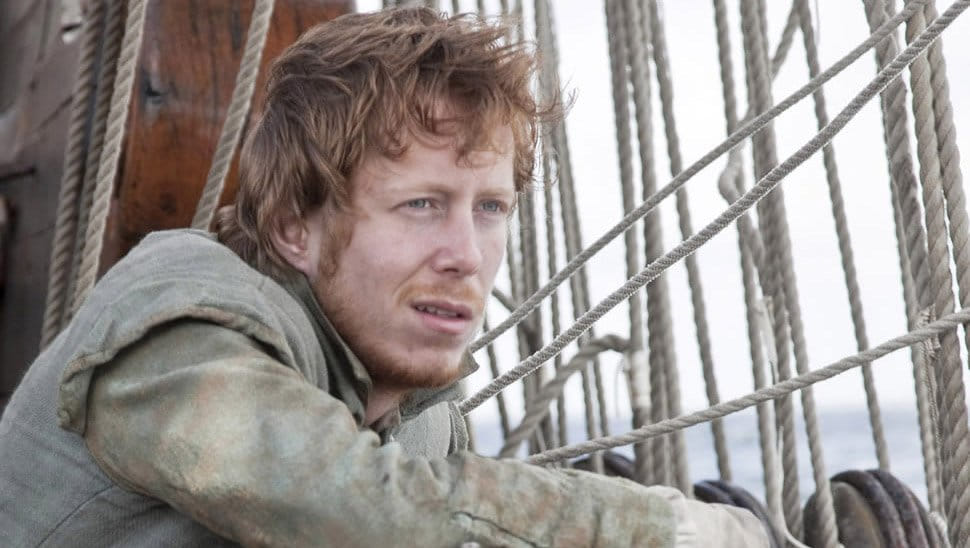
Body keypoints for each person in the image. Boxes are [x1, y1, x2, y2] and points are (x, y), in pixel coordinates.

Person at [0, 7, 769, 547]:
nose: (466, 254)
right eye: (420, 205)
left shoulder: (417, 410)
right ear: (295, 227)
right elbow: (352, 507)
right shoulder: (176, 334)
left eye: (490, 207)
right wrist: (669, 530)